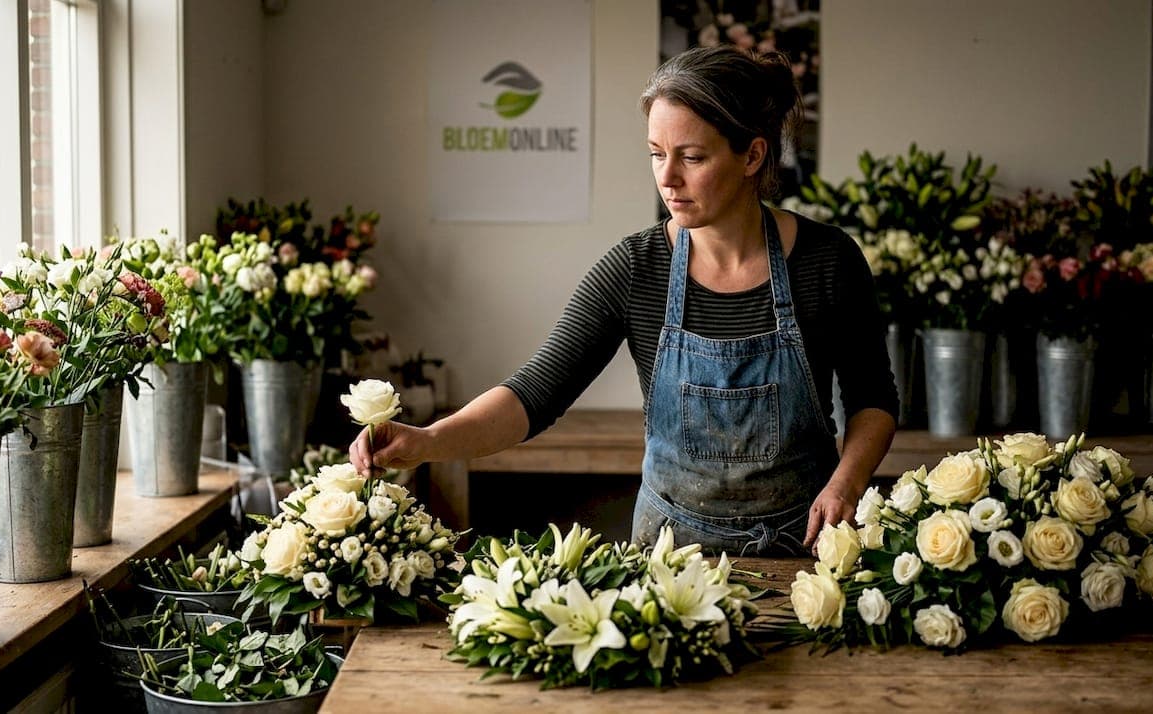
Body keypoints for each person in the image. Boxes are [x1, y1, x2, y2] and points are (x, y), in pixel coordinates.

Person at [350, 45, 897, 556]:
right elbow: (534, 395)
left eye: (692, 157)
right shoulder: (636, 267)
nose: (668, 178)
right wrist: (427, 440)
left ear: (752, 155)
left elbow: (874, 399)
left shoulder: (829, 261)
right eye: (656, 154)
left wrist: (845, 485)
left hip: (805, 548)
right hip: (669, 559)